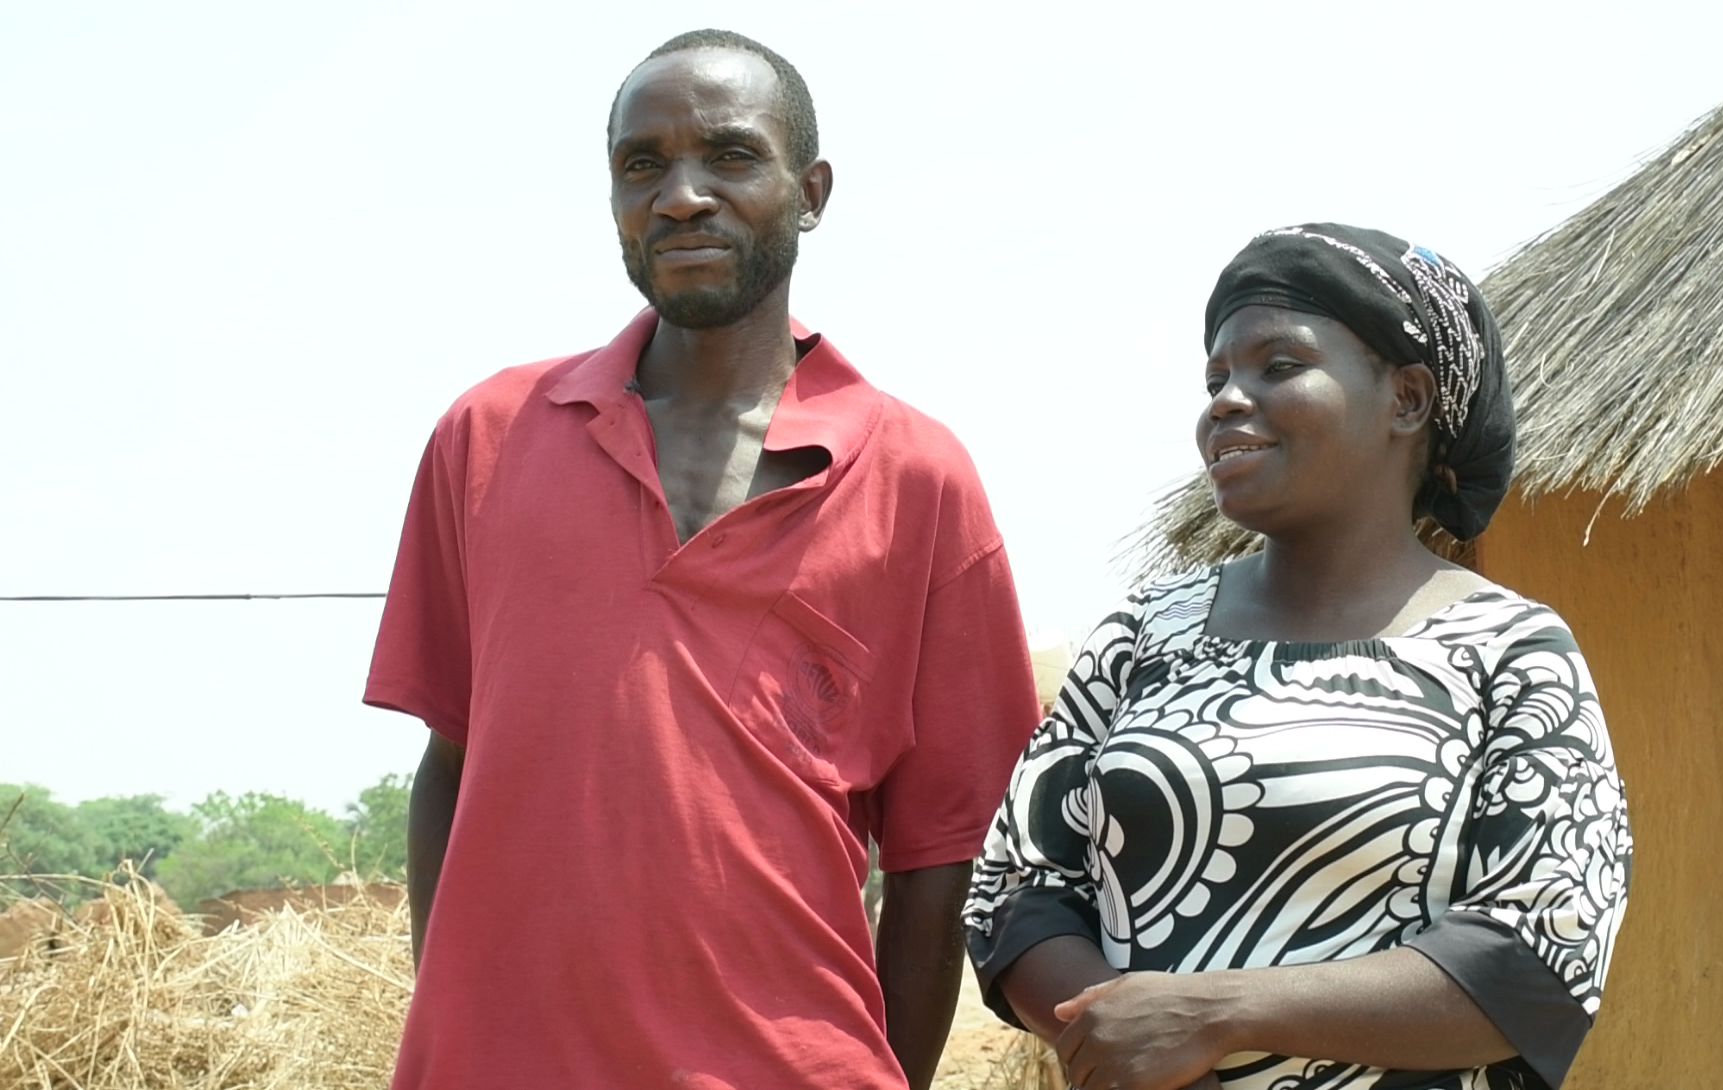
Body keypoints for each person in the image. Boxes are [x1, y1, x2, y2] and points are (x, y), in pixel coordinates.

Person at [364, 29, 1039, 1090]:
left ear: (810, 192)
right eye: (643, 163)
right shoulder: (489, 438)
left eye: (729, 156)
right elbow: (452, 758)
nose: (681, 195)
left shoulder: (919, 478)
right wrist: (457, 1025)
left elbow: (940, 854)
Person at [964, 224, 1632, 1090]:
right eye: (1216, 378)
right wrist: (1149, 1055)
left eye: (1278, 366)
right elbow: (1018, 886)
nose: (1227, 401)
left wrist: (1215, 1014)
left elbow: (1539, 955)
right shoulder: (1143, 633)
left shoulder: (1509, 651)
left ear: (1408, 400)